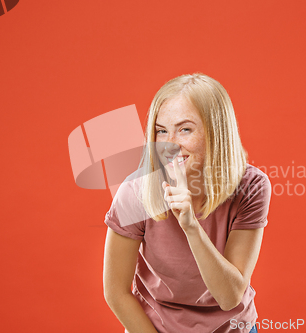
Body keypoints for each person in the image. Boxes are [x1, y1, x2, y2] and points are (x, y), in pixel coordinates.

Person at [103, 73, 271, 333]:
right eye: (161, 131)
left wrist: (191, 225)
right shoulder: (135, 191)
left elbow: (229, 297)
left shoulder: (251, 187)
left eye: (185, 129)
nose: (169, 145)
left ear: (217, 133)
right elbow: (116, 293)